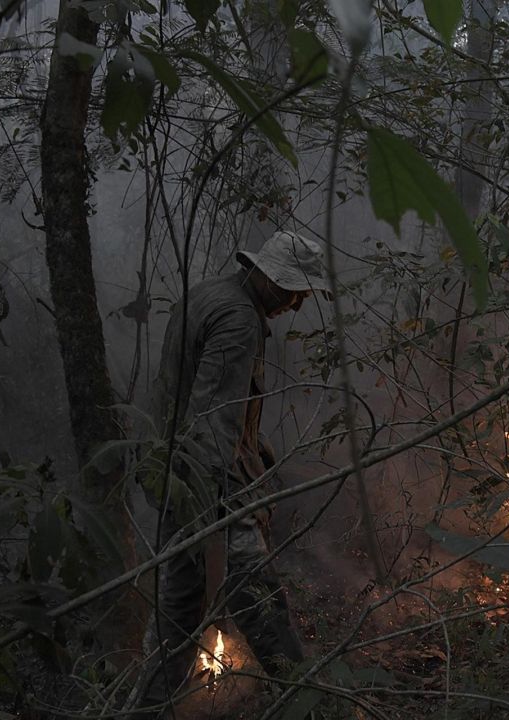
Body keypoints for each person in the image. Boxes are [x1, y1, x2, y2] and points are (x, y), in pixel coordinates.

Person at [135, 231, 330, 716]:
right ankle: (310, 706)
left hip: (176, 475)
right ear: (268, 278)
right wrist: (228, 506)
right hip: (205, 484)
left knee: (178, 612)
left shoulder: (207, 294)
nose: (298, 305)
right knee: (258, 596)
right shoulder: (240, 321)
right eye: (295, 291)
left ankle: (145, 709)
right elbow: (212, 418)